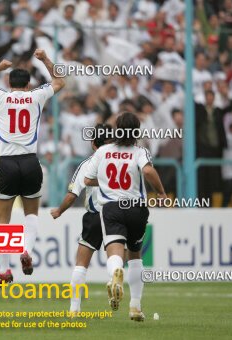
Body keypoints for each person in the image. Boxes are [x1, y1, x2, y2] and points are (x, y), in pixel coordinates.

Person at [0, 49, 65, 285]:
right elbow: (60, 81)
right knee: (31, 213)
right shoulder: (37, 96)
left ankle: (4, 270)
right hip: (30, 161)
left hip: (6, 163)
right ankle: (28, 251)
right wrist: (44, 59)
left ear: (8, 82)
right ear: (28, 83)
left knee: (3, 218)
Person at [84, 112, 167, 322]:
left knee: (114, 252)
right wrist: (161, 192)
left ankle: (116, 274)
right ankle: (135, 307)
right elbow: (148, 172)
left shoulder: (103, 151)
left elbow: (87, 179)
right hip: (136, 208)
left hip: (111, 208)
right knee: (136, 255)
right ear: (137, 130)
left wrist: (105, 184)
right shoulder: (140, 151)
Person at [50, 124, 113, 313]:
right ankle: (115, 281)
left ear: (93, 143)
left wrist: (59, 211)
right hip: (116, 215)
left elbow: (72, 196)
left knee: (81, 264)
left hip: (94, 217)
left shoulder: (87, 164)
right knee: (116, 257)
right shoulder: (122, 161)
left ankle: (74, 309)